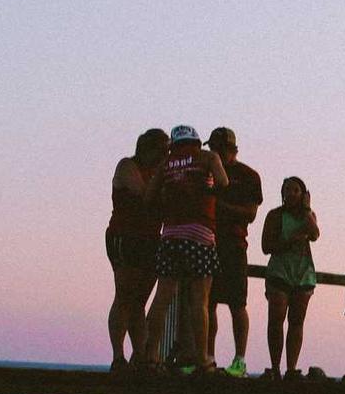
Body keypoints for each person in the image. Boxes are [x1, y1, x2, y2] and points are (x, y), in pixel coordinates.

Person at [140, 125, 228, 374]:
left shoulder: (166, 163)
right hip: (200, 233)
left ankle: (150, 356)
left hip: (170, 234)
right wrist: (204, 191)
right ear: (197, 141)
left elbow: (148, 197)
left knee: (162, 297)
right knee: (200, 300)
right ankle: (202, 361)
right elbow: (223, 183)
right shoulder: (209, 158)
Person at [105, 128, 170, 372]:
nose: (166, 155)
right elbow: (145, 195)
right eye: (163, 150)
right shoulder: (127, 166)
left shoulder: (160, 173)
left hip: (151, 239)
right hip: (125, 236)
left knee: (140, 300)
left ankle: (140, 356)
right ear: (148, 148)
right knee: (124, 295)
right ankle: (118, 356)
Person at [203, 127, 263, 377]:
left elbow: (250, 214)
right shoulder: (205, 171)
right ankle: (208, 357)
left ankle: (240, 360)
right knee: (208, 303)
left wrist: (220, 206)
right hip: (207, 243)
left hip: (235, 246)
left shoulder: (249, 176)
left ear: (231, 150)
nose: (214, 153)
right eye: (211, 148)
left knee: (238, 304)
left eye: (218, 148)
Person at [260, 176, 320, 379]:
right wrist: (288, 241)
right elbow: (266, 246)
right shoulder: (275, 215)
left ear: (303, 194)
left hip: (303, 274)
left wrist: (306, 209)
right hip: (280, 272)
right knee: (276, 319)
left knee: (297, 321)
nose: (290, 194)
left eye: (295, 190)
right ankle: (275, 367)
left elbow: (315, 234)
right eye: (287, 189)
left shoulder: (308, 215)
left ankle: (291, 369)